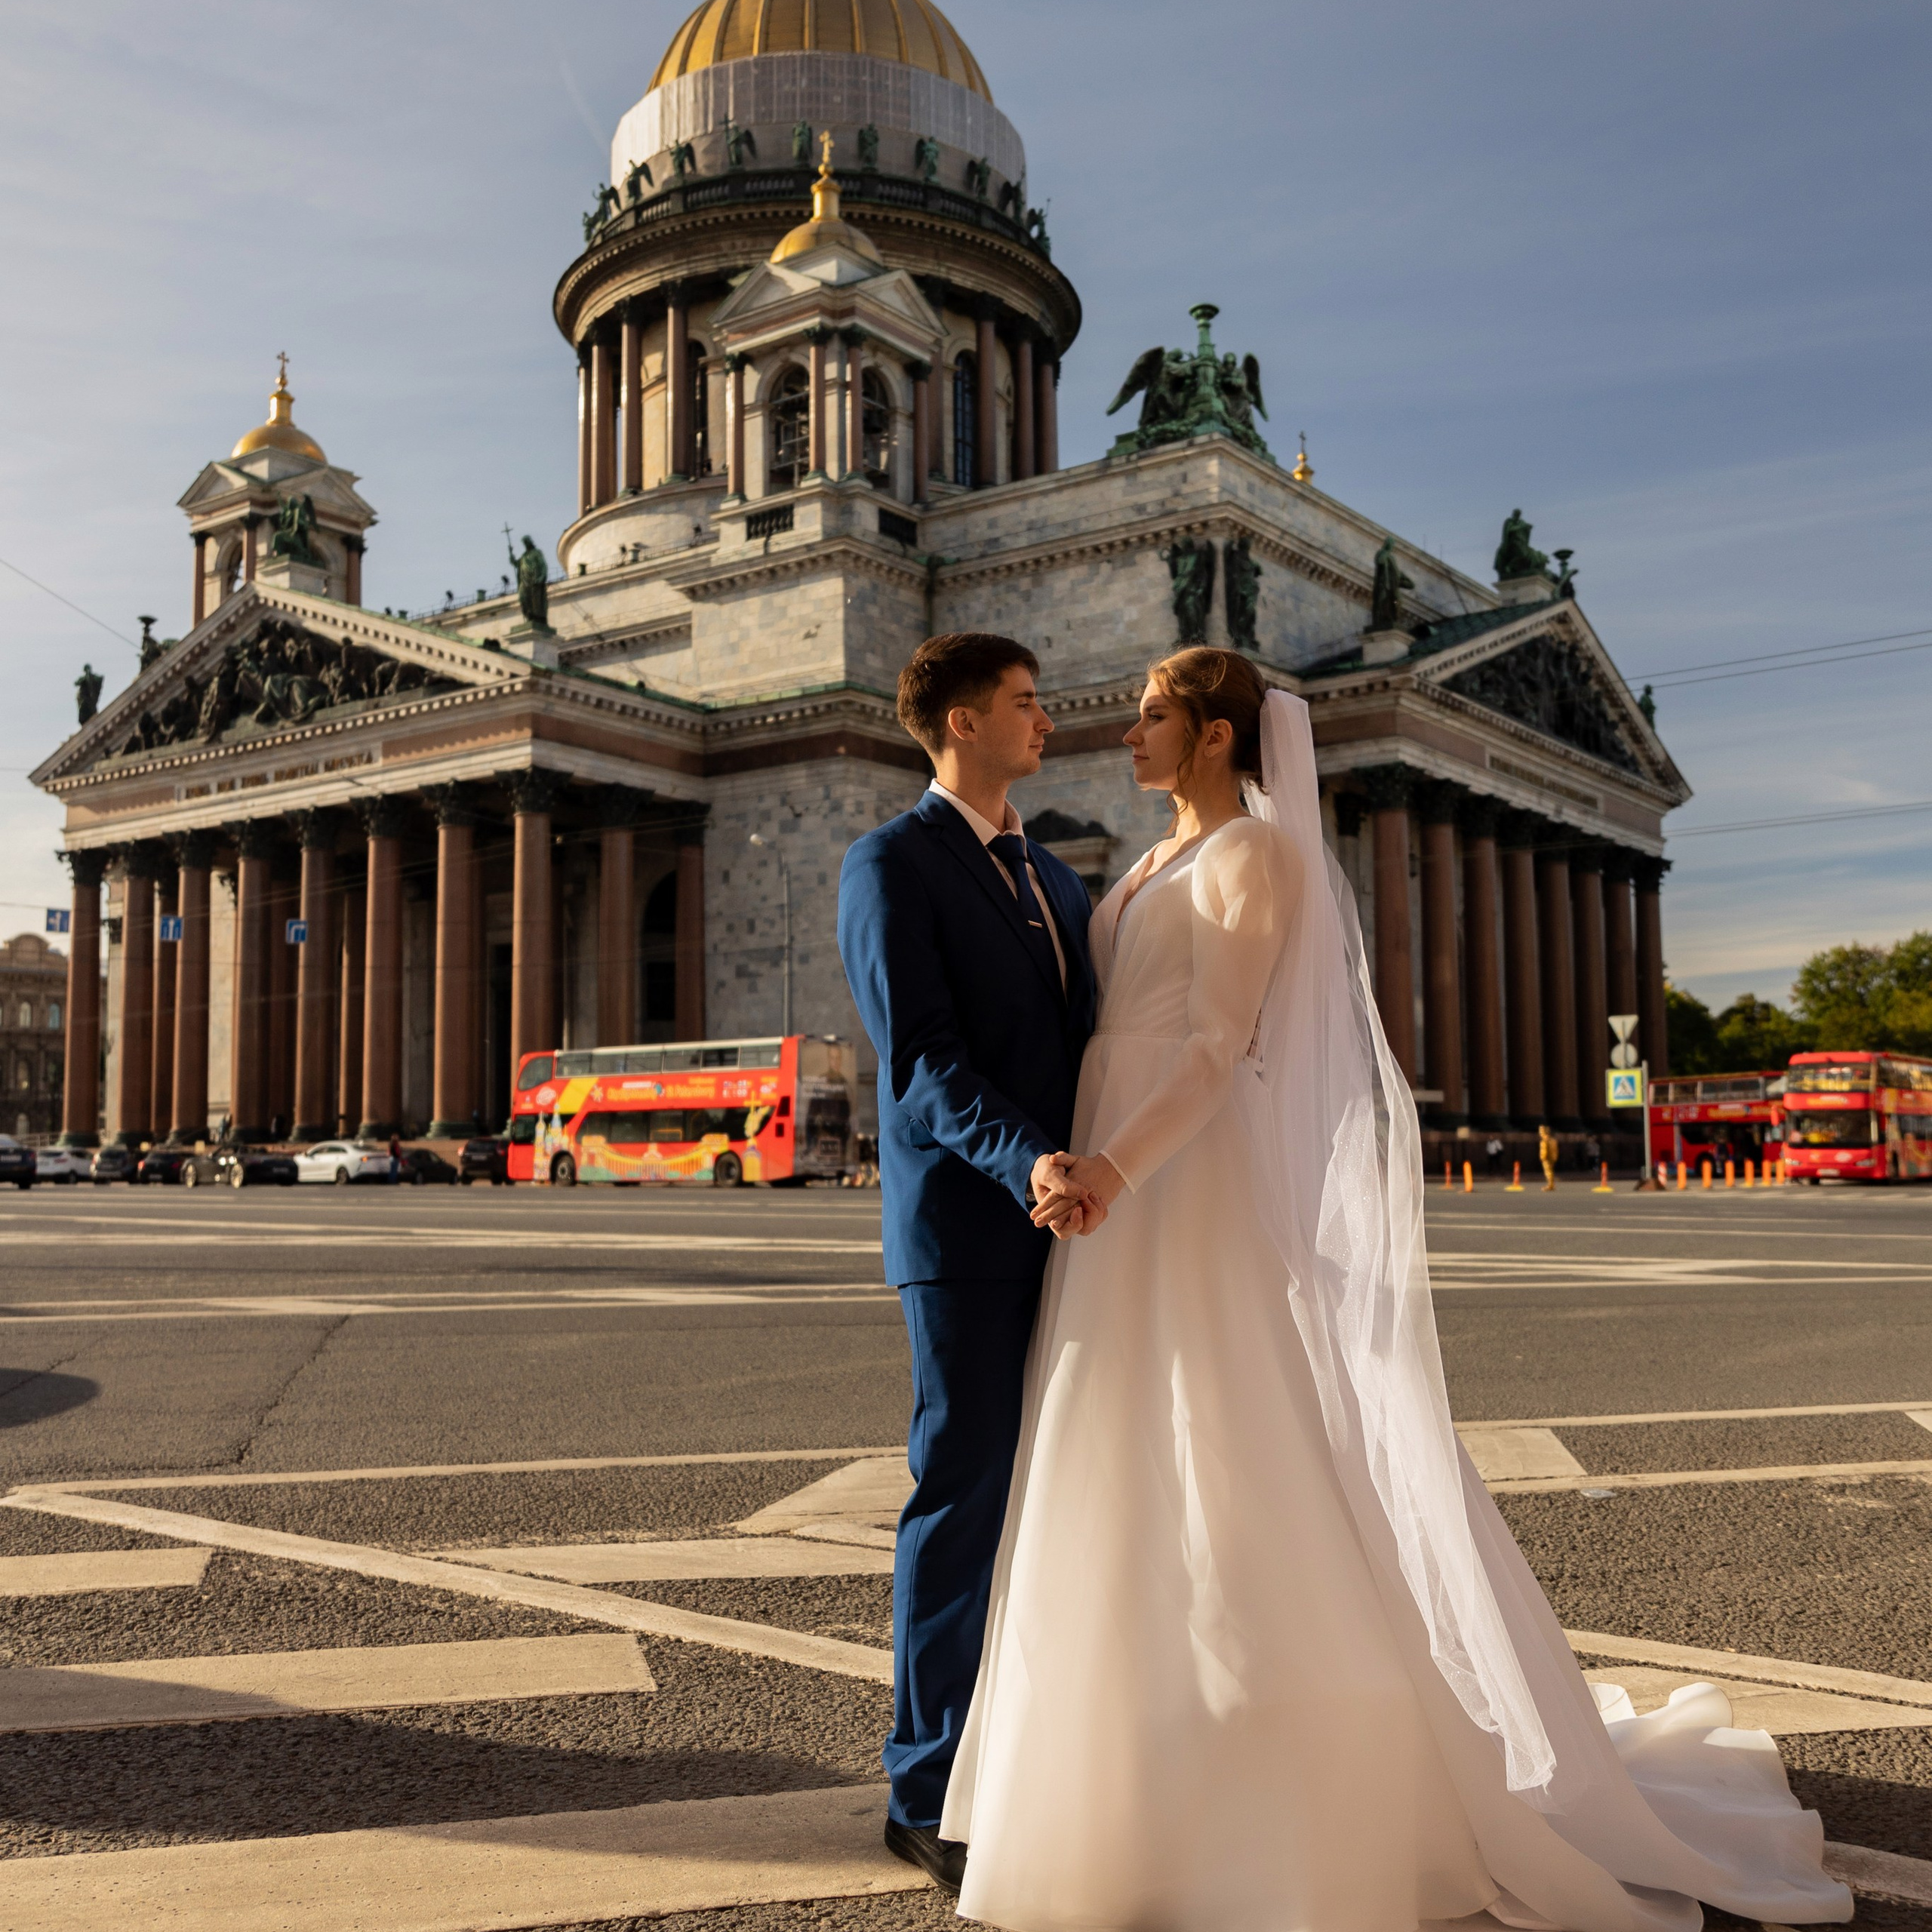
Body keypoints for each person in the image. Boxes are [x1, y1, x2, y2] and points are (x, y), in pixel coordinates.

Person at [941, 647, 1849, 1932]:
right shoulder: (1144, 861)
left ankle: (1276, 1784)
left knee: (1232, 1449)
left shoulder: (1253, 855)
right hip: (1123, 1187)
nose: (1123, 731)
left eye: (1152, 715)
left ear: (1213, 737)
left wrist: (1115, 1169)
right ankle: (1132, 1773)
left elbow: (1217, 1052)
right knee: (1126, 1456)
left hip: (1174, 1186)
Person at [836, 632, 1100, 1893]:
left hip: (1081, 1227)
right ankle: (925, 1784)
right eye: (1023, 704)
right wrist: (1030, 1158)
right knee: (965, 1500)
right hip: (971, 1230)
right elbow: (921, 1062)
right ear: (957, 724)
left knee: (1069, 1507)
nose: (1045, 722)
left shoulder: (1056, 874)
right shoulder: (890, 863)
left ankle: (1047, 1757)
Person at [1539, 1121, 1558, 1190]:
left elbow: (1544, 1150)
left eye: (1541, 1131)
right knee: (1551, 1171)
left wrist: (1543, 1157)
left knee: (1548, 1172)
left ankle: (1550, 1185)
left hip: (1547, 1158)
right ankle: (1551, 1184)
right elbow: (1555, 1149)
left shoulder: (1544, 1140)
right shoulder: (1552, 1140)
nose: (1540, 1133)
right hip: (1553, 1157)